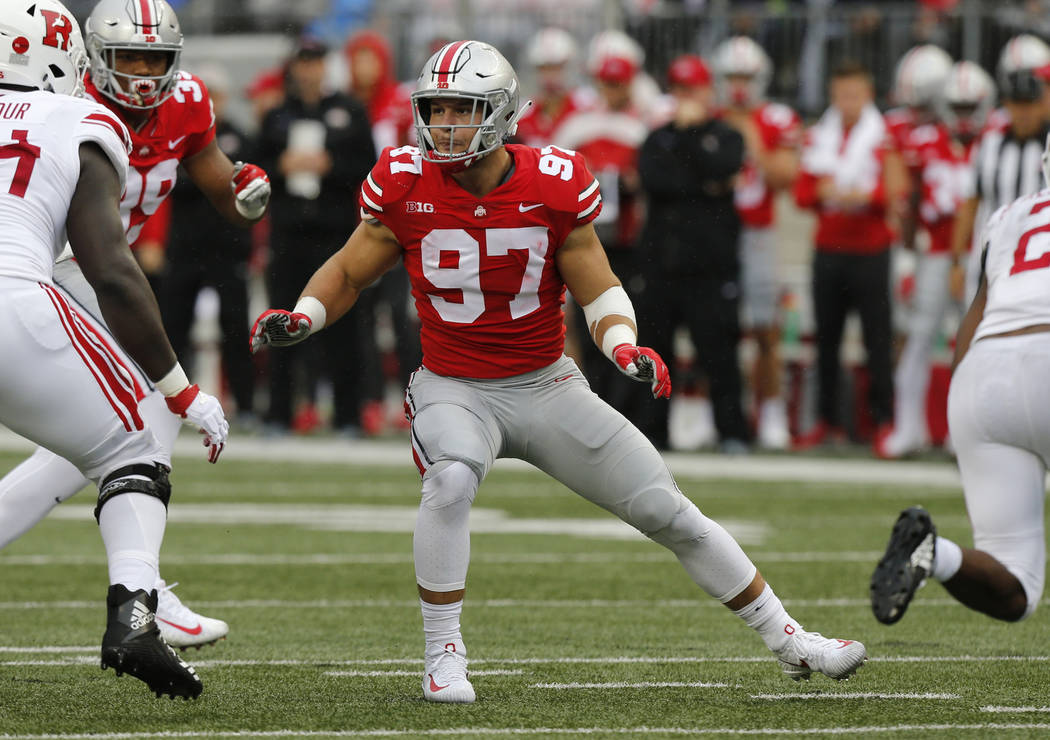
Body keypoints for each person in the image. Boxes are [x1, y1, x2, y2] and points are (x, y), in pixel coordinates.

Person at [250, 39, 867, 706]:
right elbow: (347, 270)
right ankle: (443, 654)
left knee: (667, 508)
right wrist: (305, 315)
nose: (444, 125)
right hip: (454, 386)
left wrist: (624, 345)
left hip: (545, 383)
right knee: (451, 478)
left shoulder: (552, 179)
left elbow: (598, 286)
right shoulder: (405, 181)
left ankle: (789, 638)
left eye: (462, 110)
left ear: (500, 114)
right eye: (436, 110)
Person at [0, 0, 271, 650]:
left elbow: (219, 186)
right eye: (129, 59)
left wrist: (245, 189)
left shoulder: (187, 104)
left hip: (99, 270)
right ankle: (144, 592)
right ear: (91, 59)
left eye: (156, 60)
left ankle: (143, 587)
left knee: (116, 434)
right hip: (64, 267)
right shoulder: (71, 100)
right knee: (146, 416)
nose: (144, 76)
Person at [870, 138, 1050, 625]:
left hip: (985, 375)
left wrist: (964, 408)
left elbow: (974, 319)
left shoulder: (1010, 216)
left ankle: (935, 553)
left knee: (1017, 589)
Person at [253, 35, 376, 436]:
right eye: (303, 61)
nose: (309, 69)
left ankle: (347, 415)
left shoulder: (349, 110)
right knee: (283, 320)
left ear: (326, 65)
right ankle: (279, 414)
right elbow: (257, 169)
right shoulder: (276, 115)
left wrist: (331, 165)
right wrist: (282, 165)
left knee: (343, 324)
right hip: (289, 234)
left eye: (316, 61)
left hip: (335, 235)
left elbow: (368, 166)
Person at [634, 54, 751, 453]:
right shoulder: (657, 137)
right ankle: (653, 433)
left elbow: (723, 166)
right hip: (662, 265)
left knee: (719, 351)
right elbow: (656, 181)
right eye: (679, 90)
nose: (685, 98)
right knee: (654, 354)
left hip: (710, 267)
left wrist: (691, 139)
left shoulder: (727, 134)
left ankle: (732, 431)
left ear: (707, 90)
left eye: (692, 89)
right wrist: (702, 181)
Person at [793, 60, 907, 450]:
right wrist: (841, 195)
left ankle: (882, 423)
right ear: (832, 96)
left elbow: (893, 193)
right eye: (842, 95)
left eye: (855, 95)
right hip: (829, 248)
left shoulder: (884, 136)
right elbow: (803, 194)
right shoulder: (819, 136)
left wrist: (854, 196)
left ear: (868, 96)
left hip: (871, 249)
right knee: (827, 339)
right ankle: (829, 421)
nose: (848, 102)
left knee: (877, 339)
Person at [711, 36, 801, 450]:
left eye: (745, 76)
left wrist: (749, 136)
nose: (739, 85)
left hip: (760, 232)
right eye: (732, 76)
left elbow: (784, 177)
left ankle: (771, 411)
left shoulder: (773, 119)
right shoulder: (710, 117)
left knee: (766, 327)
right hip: (717, 232)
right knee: (715, 327)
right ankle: (715, 412)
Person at [157, 65, 256, 425]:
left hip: (227, 247)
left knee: (235, 329)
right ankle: (167, 405)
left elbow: (246, 190)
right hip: (185, 247)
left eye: (216, 94)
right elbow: (174, 185)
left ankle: (245, 406)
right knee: (172, 330)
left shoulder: (237, 136)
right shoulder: (177, 137)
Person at [875, 45, 957, 459]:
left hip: (972, 251)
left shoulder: (988, 135)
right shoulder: (909, 134)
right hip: (932, 251)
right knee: (917, 335)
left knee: (969, 339)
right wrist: (907, 249)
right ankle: (910, 426)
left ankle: (961, 431)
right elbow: (902, 196)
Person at [949, 35, 1050, 307]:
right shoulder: (990, 145)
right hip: (989, 260)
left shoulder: (1047, 148)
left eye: (1030, 103)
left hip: (1038, 263)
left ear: (1042, 104)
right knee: (977, 334)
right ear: (1006, 105)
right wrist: (956, 260)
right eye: (1017, 104)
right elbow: (971, 204)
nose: (1024, 112)